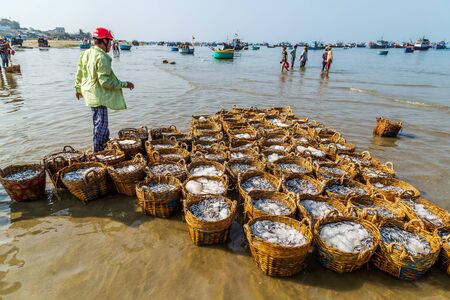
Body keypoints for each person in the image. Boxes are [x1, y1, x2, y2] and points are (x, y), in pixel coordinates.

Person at [75, 27, 135, 152]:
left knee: (99, 124)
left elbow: (79, 72)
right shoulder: (102, 58)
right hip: (98, 96)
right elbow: (105, 82)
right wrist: (124, 84)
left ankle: (103, 146)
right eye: (110, 42)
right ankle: (98, 152)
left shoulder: (86, 53)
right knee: (101, 126)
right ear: (104, 41)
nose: (111, 44)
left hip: (90, 93)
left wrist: (77, 88)